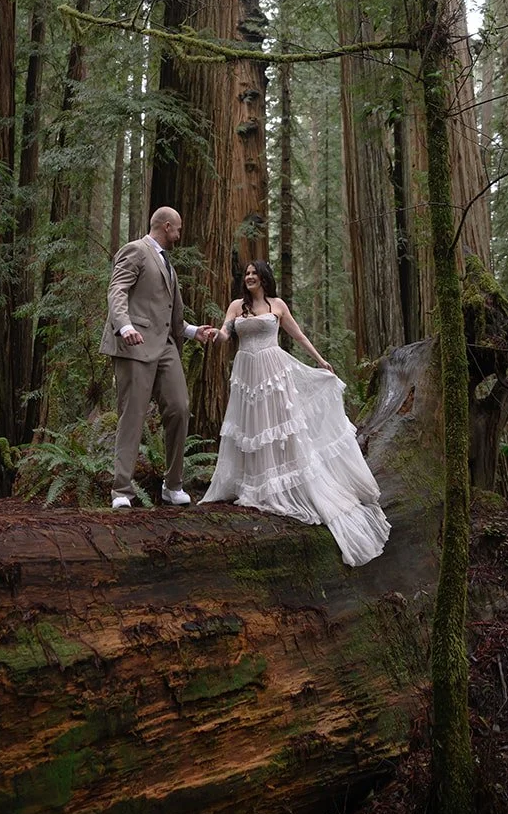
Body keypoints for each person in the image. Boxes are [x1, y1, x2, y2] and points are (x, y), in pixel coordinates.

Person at [200, 261, 390, 567]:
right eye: (246, 275)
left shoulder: (277, 305)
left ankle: (280, 483)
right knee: (252, 428)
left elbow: (299, 336)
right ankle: (256, 483)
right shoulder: (237, 306)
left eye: (254, 274)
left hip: (274, 372)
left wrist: (321, 361)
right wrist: (214, 335)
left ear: (264, 278)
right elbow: (225, 333)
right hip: (247, 373)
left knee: (277, 426)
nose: (249, 278)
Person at [100, 206, 216, 509]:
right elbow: (117, 290)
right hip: (134, 343)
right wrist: (123, 325)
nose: (179, 234)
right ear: (166, 226)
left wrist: (192, 332)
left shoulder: (167, 263)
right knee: (133, 414)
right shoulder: (135, 251)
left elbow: (166, 311)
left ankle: (172, 485)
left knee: (179, 407)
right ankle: (121, 490)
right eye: (177, 229)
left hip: (165, 346)